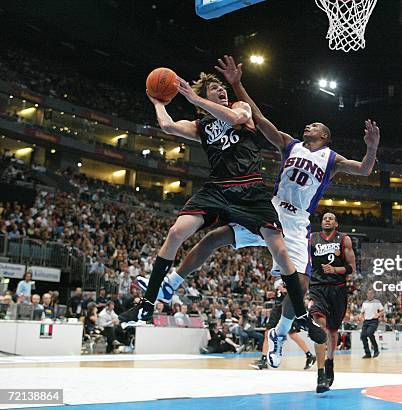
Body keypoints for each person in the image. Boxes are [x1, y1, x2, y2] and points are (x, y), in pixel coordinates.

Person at [136, 55, 379, 369]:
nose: (308, 125)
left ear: (324, 136)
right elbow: (258, 117)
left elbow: (364, 169)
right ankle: (172, 282)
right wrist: (237, 84)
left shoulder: (332, 159)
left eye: (314, 125)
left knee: (301, 285)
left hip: (297, 223)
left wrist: (371, 147)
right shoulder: (288, 144)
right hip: (271, 208)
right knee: (214, 238)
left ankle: (279, 334)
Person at [119, 65, 324, 348]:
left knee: (279, 248)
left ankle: (300, 316)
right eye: (216, 90)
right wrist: (157, 103)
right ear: (205, 95)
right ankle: (148, 302)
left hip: (250, 189)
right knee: (178, 231)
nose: (223, 92)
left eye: (224, 89)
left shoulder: (239, 108)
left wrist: (195, 99)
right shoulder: (201, 126)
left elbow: (237, 116)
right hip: (217, 188)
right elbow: (167, 126)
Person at [308, 212, 356, 393]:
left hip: (337, 289)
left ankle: (330, 360)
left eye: (331, 218)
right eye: (324, 218)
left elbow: (351, 268)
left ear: (336, 223)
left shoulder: (344, 240)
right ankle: (320, 374)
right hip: (318, 288)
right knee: (320, 323)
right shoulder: (311, 239)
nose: (327, 220)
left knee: (333, 331)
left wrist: (334, 269)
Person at [250, 279, 315, 370]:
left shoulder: (293, 275)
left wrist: (285, 290)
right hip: (277, 308)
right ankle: (263, 359)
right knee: (267, 333)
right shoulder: (279, 279)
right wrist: (274, 294)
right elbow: (279, 293)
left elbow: (297, 292)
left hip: (286, 308)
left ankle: (309, 355)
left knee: (292, 334)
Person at [360, 289, 384, 359]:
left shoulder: (377, 302)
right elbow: (362, 313)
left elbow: (382, 311)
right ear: (367, 294)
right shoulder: (364, 303)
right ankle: (367, 353)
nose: (370, 295)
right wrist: (361, 317)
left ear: (373, 294)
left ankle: (376, 350)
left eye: (371, 293)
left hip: (373, 321)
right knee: (363, 336)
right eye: (368, 293)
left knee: (370, 333)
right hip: (366, 321)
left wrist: (378, 314)